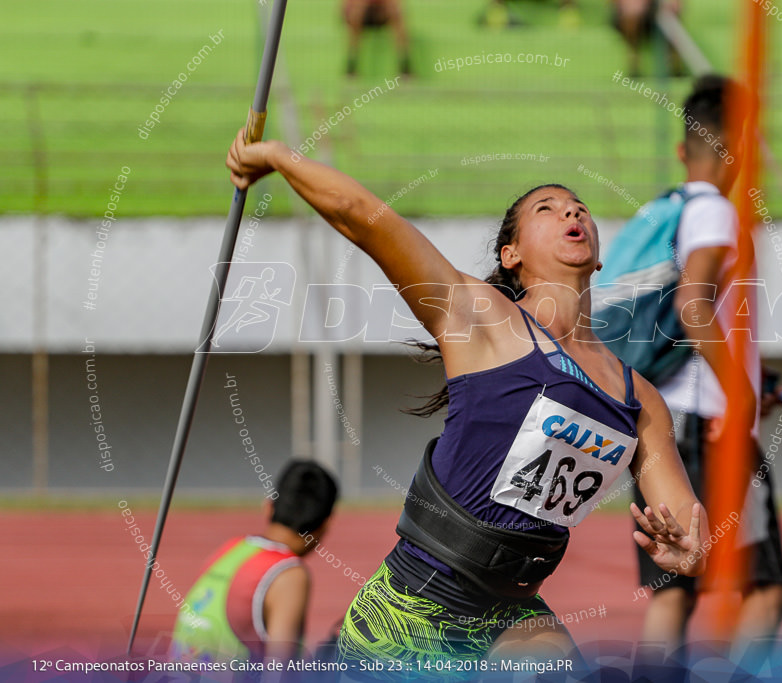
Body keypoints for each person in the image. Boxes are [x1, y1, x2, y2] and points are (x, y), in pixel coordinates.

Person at [225, 129, 710, 668]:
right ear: (512, 253)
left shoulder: (639, 399)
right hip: (413, 607)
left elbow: (684, 518)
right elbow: (363, 216)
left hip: (513, 615)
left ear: (598, 257)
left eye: (580, 208)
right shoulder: (477, 315)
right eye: (546, 209)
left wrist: (690, 553)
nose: (571, 213)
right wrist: (275, 156)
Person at [630, 73, 782, 649]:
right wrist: (742, 395)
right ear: (740, 147)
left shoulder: (658, 212)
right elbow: (693, 306)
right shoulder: (717, 213)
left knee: (673, 586)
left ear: (682, 150)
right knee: (767, 587)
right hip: (710, 422)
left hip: (658, 421)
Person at [171, 459, 339, 663]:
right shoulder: (289, 574)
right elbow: (280, 671)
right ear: (326, 524)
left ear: (268, 507)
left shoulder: (229, 550)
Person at [341, 0, 411, 77]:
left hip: (381, 13)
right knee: (358, 9)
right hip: (362, 14)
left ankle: (405, 65)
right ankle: (351, 65)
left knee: (394, 10)